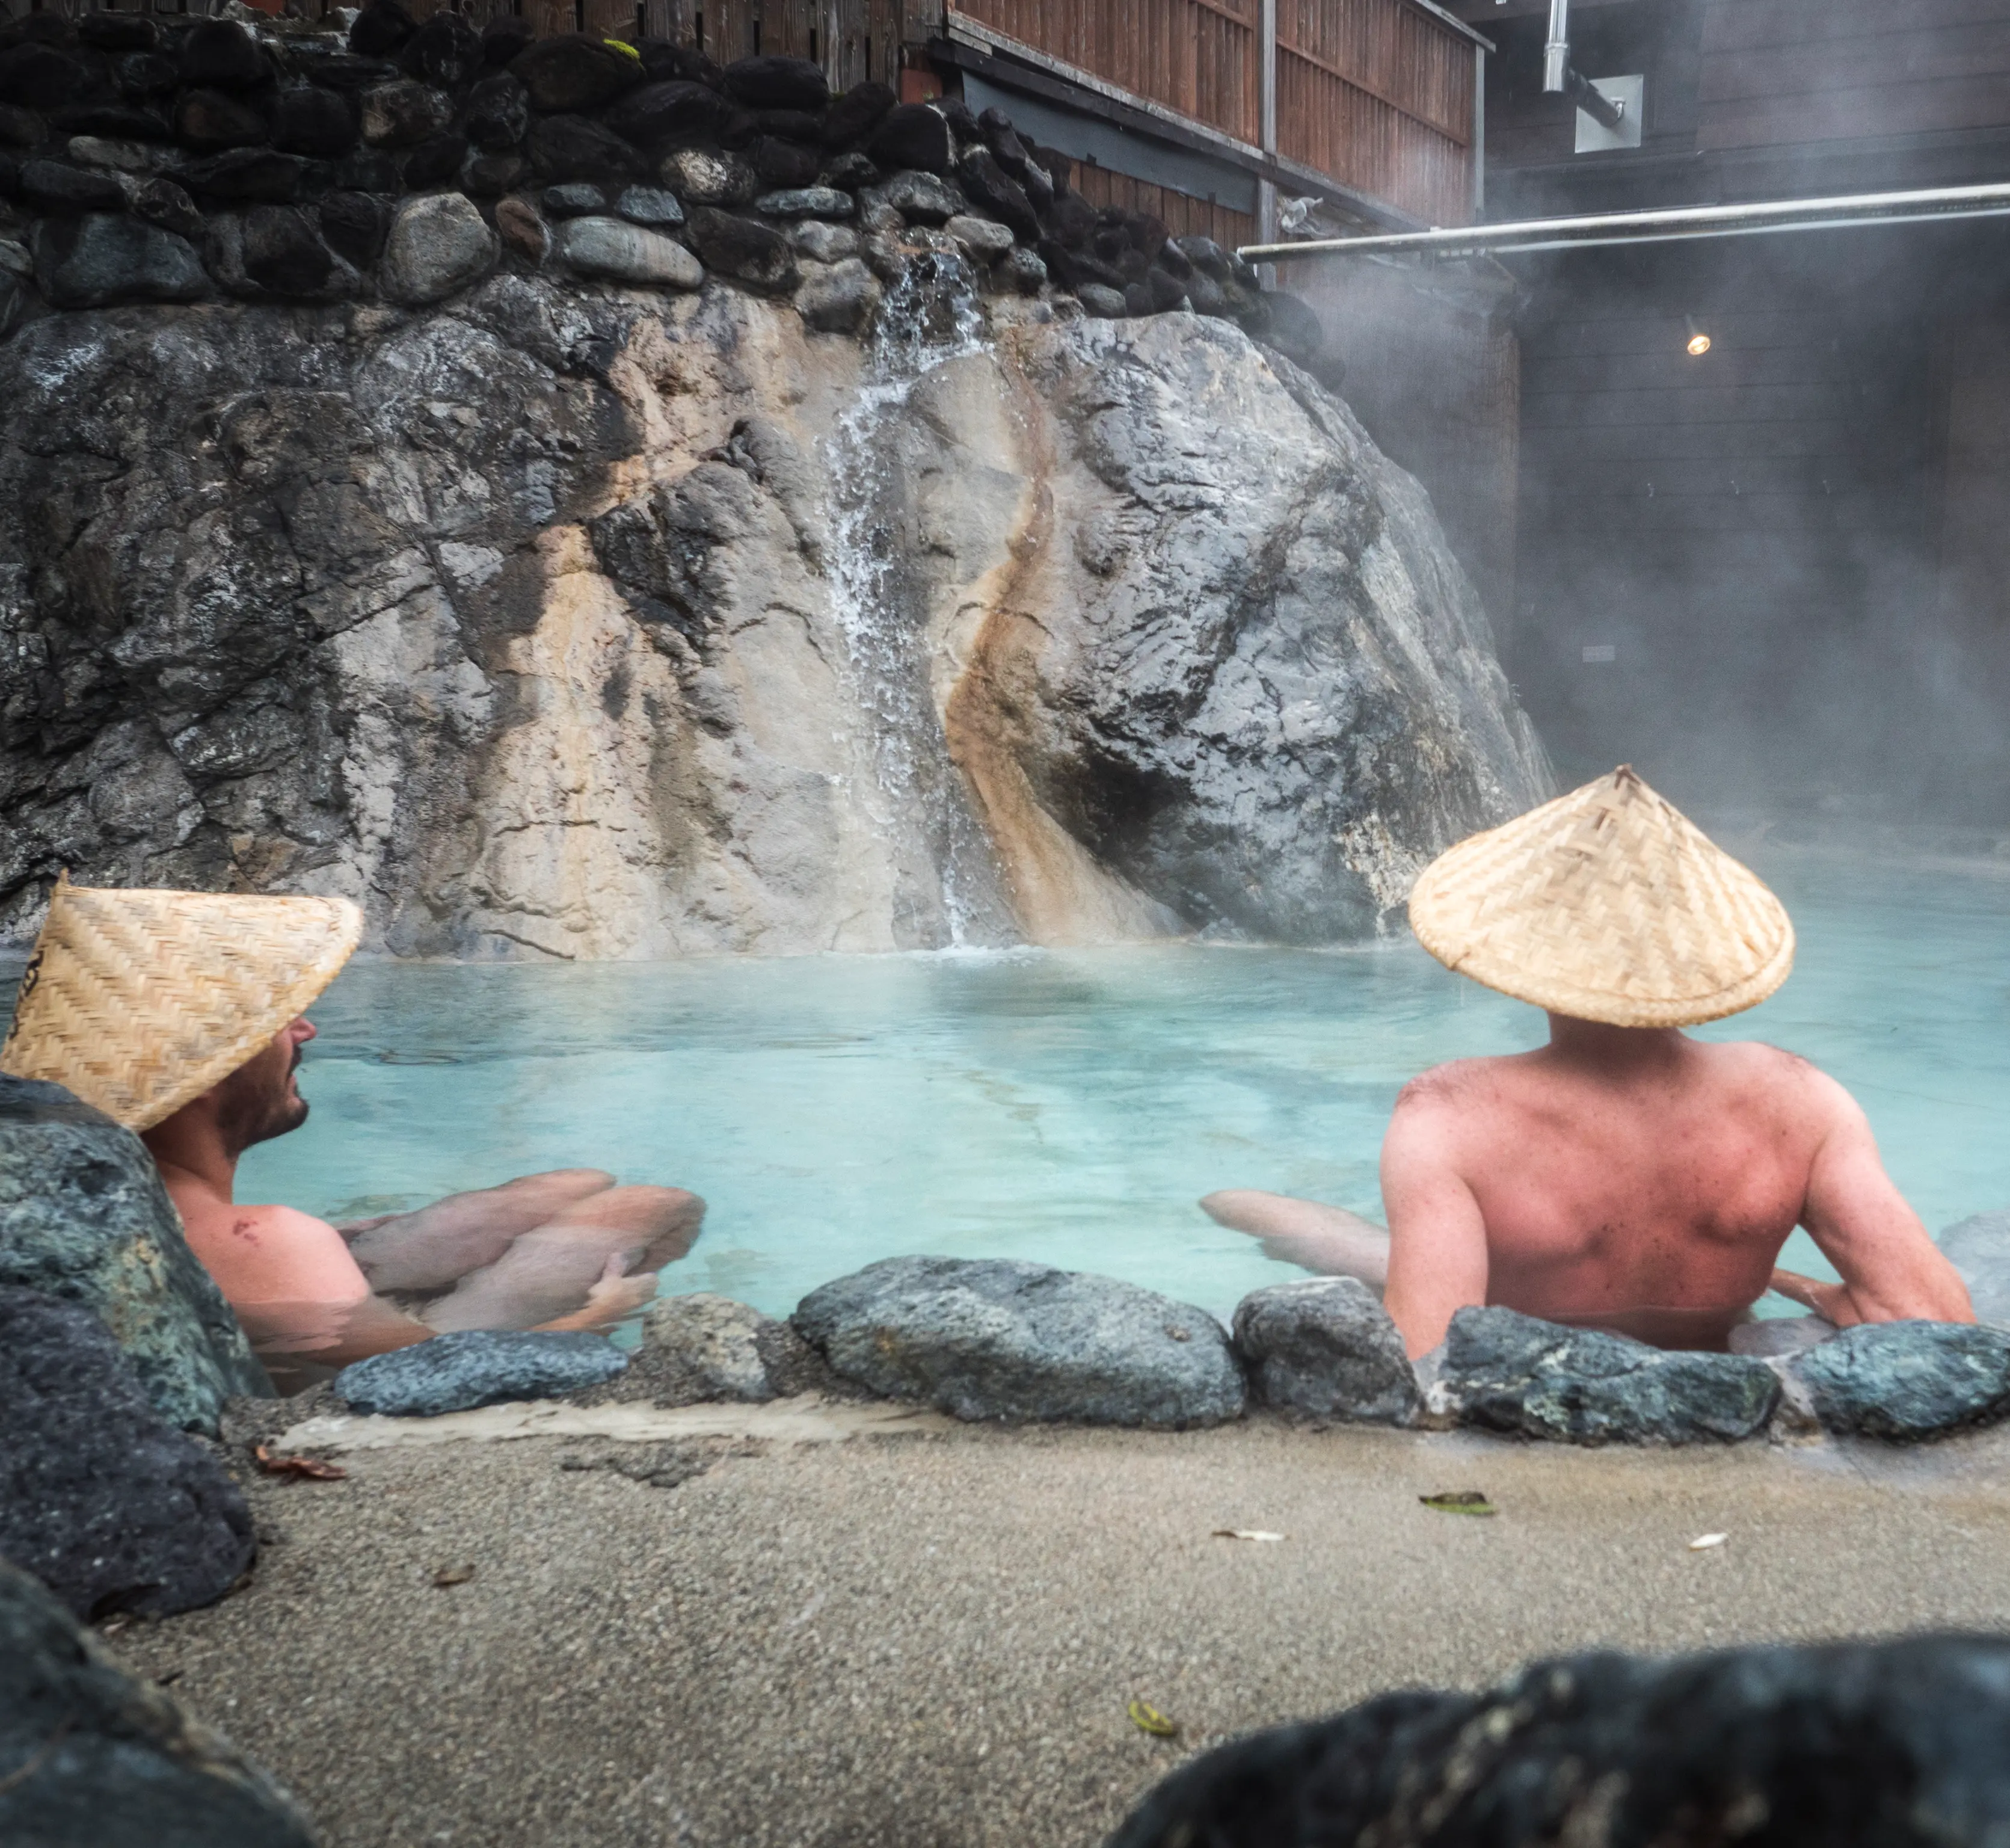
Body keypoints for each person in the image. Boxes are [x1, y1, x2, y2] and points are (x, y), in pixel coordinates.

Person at [1203, 767, 1973, 1358]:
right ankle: (1255, 1208)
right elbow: (1939, 1322)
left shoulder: (1448, 1117)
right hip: (1715, 1356)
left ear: (1523, 946)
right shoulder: (1802, 1103)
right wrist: (1807, 1289)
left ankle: (1242, 1205)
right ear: (1697, 955)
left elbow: (1428, 1359)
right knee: (1327, 1236)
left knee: (1323, 1239)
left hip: (1535, 1356)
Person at [2, 876, 702, 1377]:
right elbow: (429, 1378)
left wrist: (326, 1245)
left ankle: (371, 1274)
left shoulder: (96, 1206)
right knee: (656, 1207)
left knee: (574, 1183)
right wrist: (599, 1316)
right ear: (206, 1070)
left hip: (265, 1264)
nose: (307, 1028)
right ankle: (390, 1292)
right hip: (361, 1326)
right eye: (275, 1022)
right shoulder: (272, 1239)